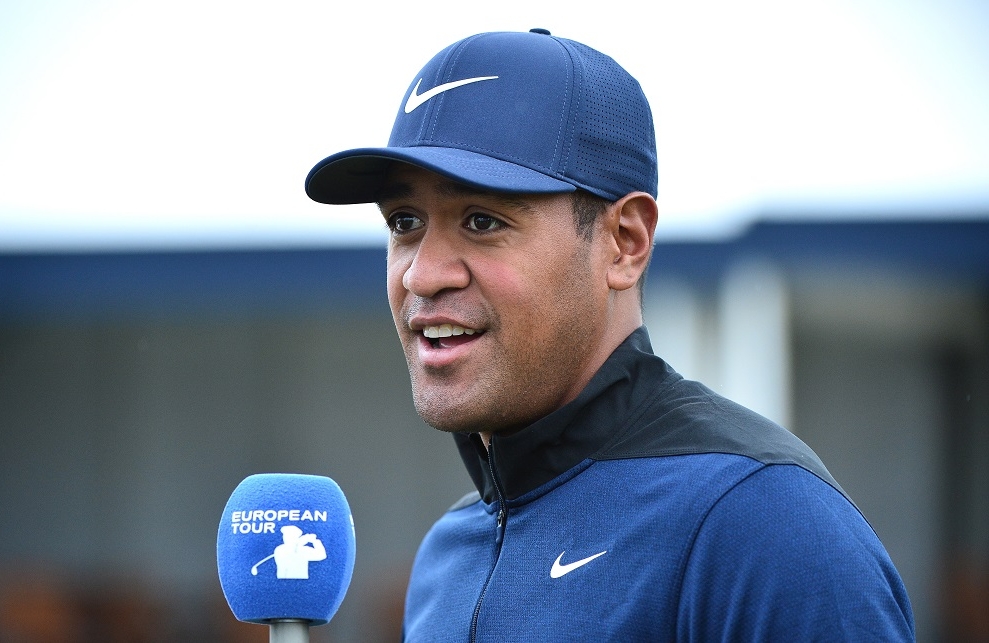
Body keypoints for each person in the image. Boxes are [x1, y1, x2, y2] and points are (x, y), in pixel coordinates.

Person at [305, 29, 915, 641]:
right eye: (404, 222)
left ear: (625, 242)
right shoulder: (447, 555)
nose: (422, 273)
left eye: (483, 220)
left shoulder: (764, 527)